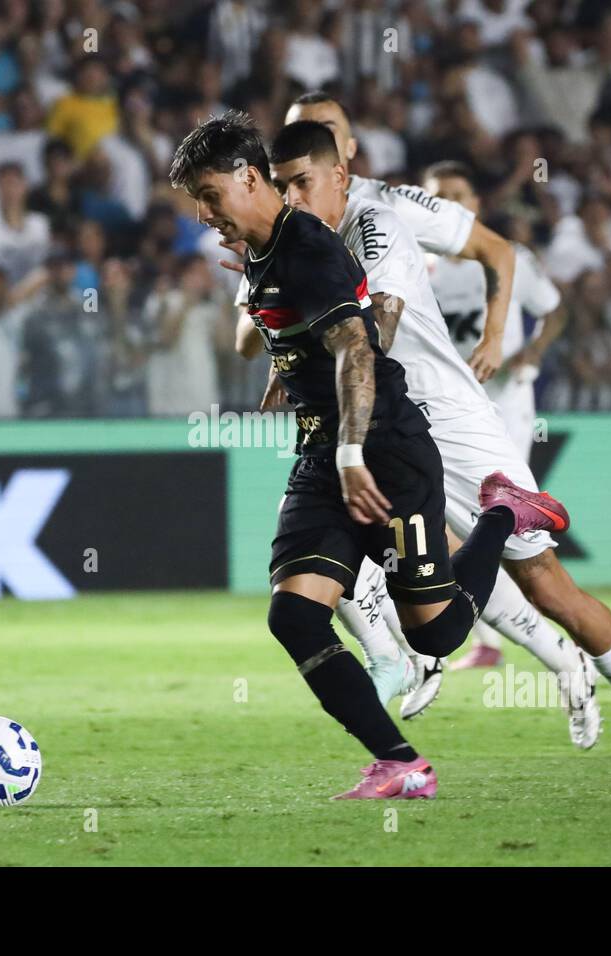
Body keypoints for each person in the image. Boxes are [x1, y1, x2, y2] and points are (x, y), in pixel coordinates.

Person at [267, 95, 611, 773]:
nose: (293, 185)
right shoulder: (285, 232)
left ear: (344, 156)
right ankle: (398, 661)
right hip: (373, 426)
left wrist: (495, 335)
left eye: (320, 150)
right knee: (320, 555)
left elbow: (396, 323)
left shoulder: (384, 216)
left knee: (543, 581)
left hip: (443, 419)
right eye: (283, 168)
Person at [172, 110, 569, 798]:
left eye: (209, 196)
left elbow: (357, 346)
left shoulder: (309, 248)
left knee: (438, 636)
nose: (205, 215)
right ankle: (401, 762)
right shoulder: (265, 255)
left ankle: (504, 512)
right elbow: (297, 334)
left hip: (386, 449)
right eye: (197, 203)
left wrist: (354, 451)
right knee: (293, 614)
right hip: (324, 453)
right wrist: (285, 373)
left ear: (247, 177)